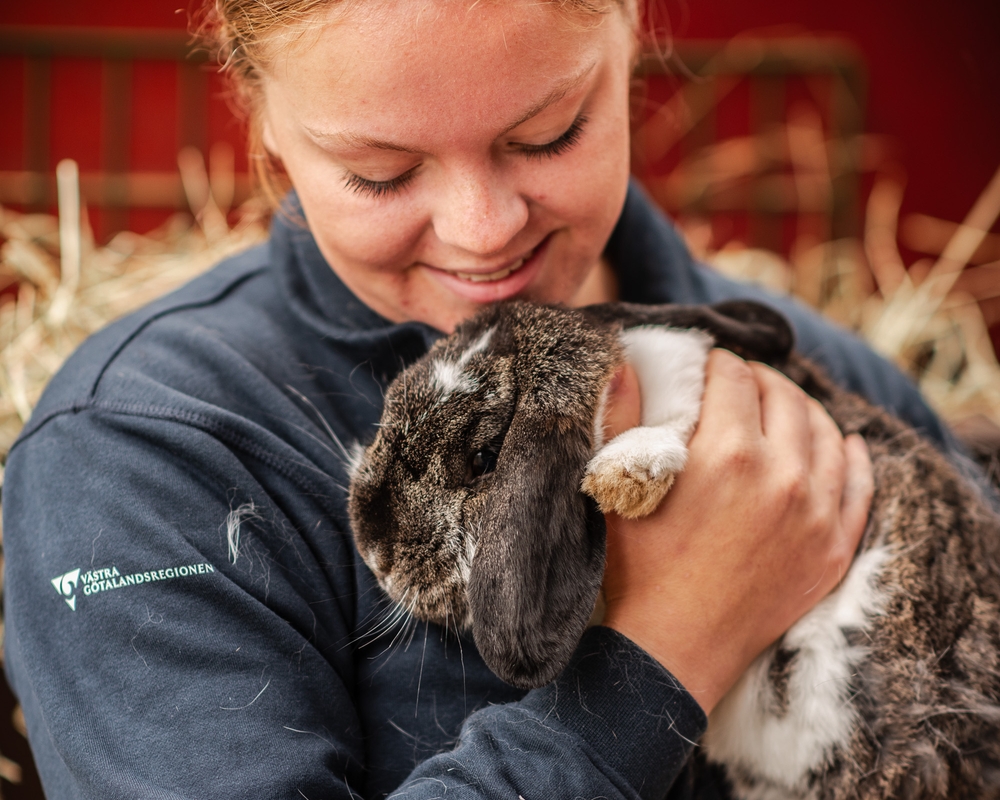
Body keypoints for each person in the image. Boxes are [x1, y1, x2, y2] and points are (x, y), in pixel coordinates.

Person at [4, 0, 972, 796]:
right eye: (379, 174)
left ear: (630, 31)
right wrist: (661, 652)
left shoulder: (826, 375)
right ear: (258, 110)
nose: (483, 231)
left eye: (548, 133)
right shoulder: (139, 454)